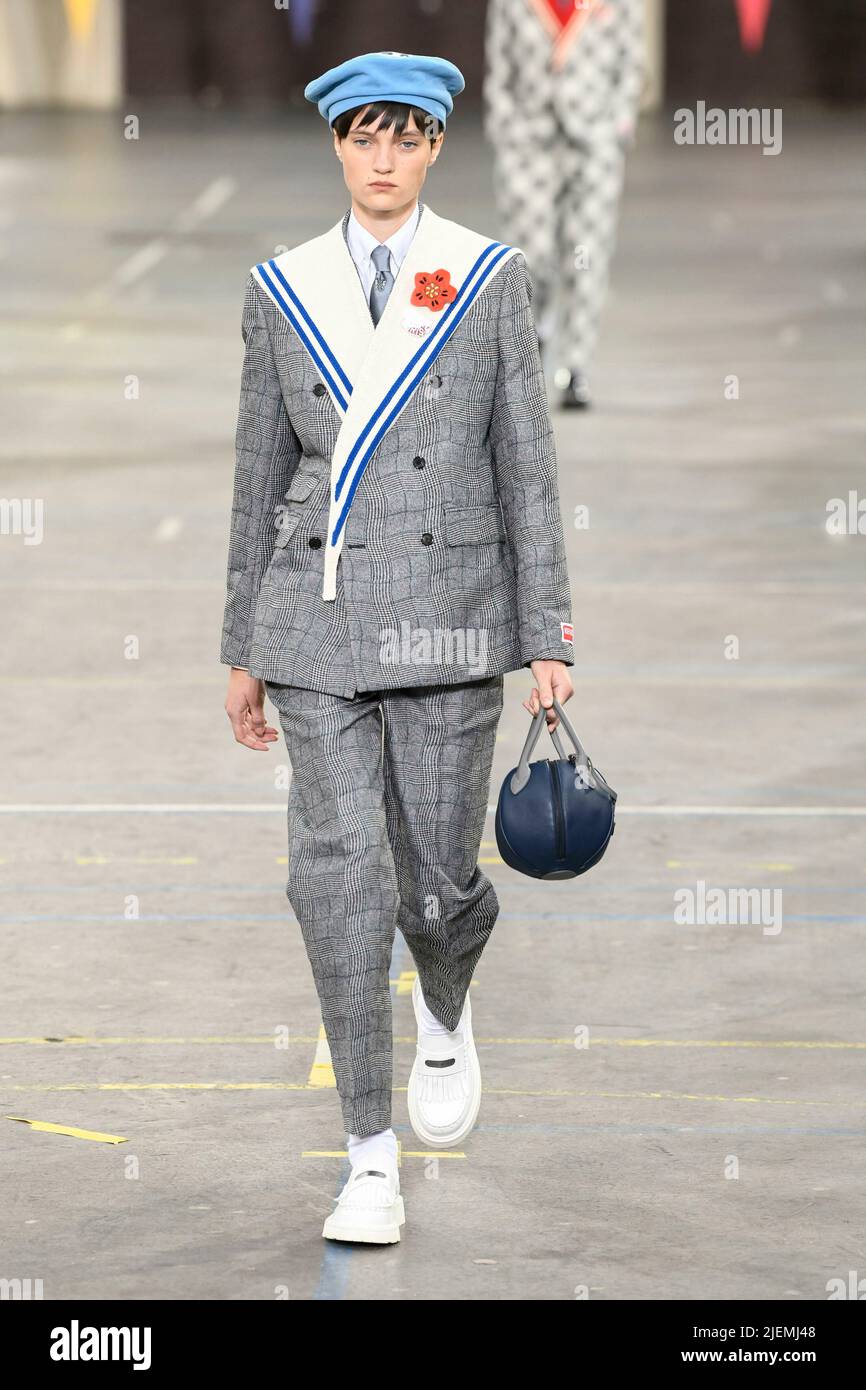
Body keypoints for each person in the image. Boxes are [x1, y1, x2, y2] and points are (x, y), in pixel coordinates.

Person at [220, 50, 575, 1244]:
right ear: (336, 145)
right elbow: (257, 478)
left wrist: (547, 633)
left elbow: (524, 462)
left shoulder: (485, 278)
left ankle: (444, 989)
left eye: (404, 139)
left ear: (432, 148)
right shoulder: (283, 288)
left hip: (452, 616)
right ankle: (366, 1153)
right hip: (313, 625)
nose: (382, 160)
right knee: (334, 877)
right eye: (362, 138)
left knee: (435, 875)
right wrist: (238, 643)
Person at [484, 0, 644, 408]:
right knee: (531, 254)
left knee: (587, 254)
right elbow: (499, 65)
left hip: (595, 142)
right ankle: (537, 333)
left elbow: (632, 62)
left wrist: (619, 127)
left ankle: (576, 368)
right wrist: (504, 126)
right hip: (527, 141)